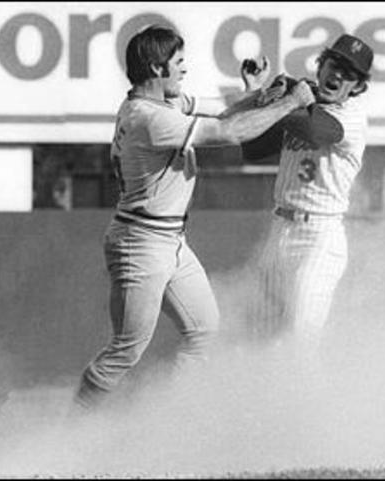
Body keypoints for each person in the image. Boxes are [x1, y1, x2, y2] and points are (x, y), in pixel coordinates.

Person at [72, 25, 315, 410]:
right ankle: (74, 430)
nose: (185, 69)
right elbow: (231, 133)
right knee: (124, 351)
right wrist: (290, 102)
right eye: (179, 62)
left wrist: (255, 91)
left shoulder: (157, 103)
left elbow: (222, 114)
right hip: (142, 243)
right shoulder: (150, 119)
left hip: (167, 240)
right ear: (156, 68)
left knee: (205, 331)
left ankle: (173, 417)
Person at [240, 34, 373, 358]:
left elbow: (316, 130)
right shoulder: (302, 105)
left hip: (319, 237)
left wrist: (278, 97)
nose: (338, 75)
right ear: (321, 64)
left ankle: (305, 407)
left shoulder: (351, 115)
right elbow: (253, 148)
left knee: (299, 340)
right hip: (280, 230)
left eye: (349, 74)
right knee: (262, 336)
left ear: (356, 87)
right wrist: (259, 93)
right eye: (334, 64)